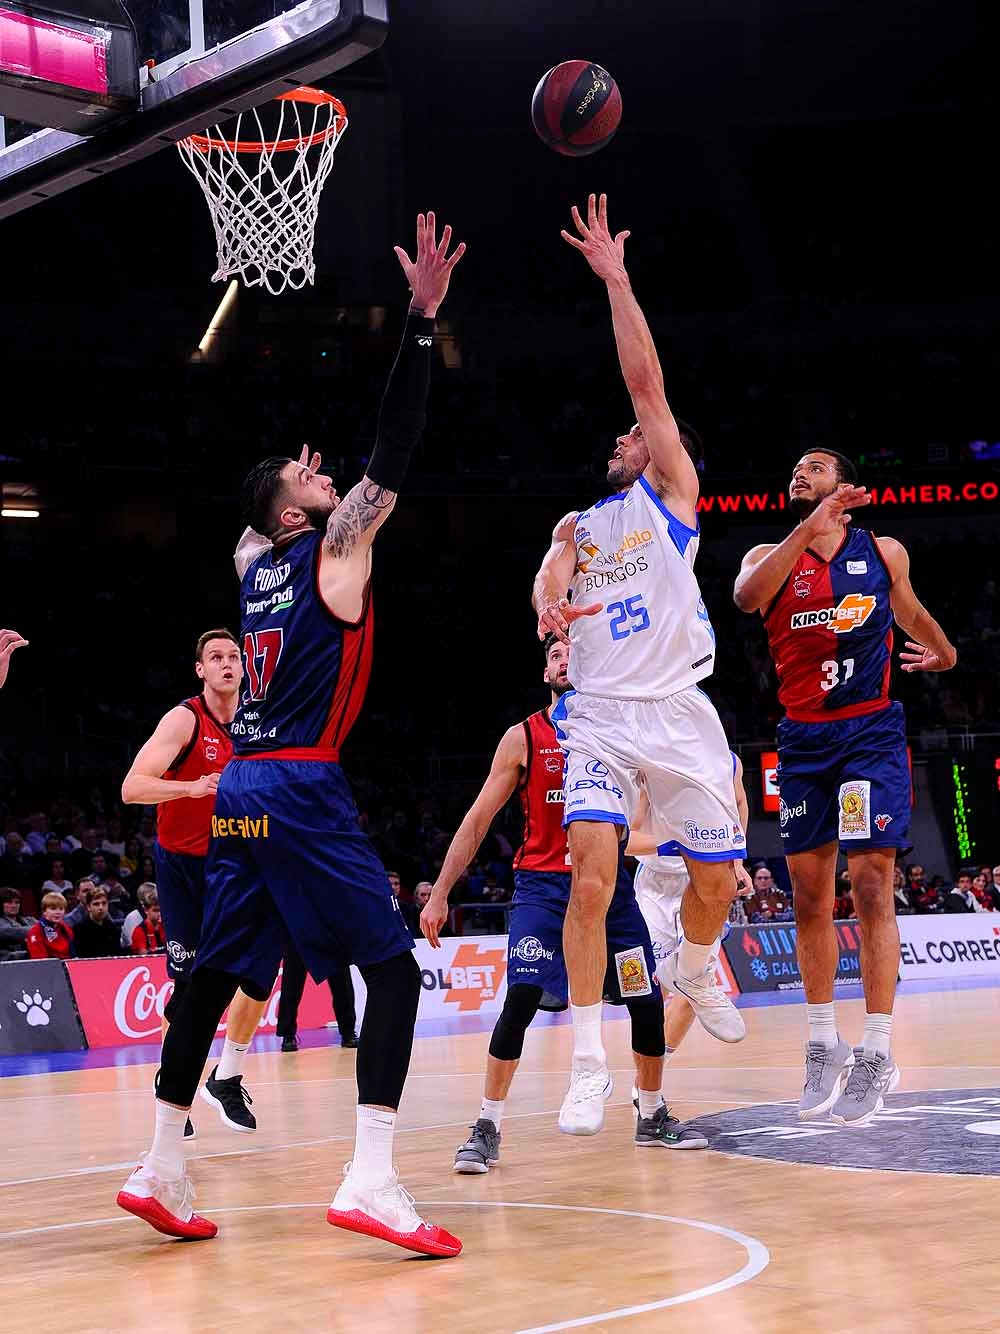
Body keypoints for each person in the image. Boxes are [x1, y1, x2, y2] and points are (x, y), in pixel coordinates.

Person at [117, 212, 466, 1257]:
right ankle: (372, 1177)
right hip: (303, 786)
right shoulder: (330, 551)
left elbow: (246, 521)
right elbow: (394, 447)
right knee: (393, 970)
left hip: (241, 795)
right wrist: (419, 322)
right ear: (289, 507)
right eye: (309, 480)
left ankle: (159, 1163)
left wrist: (281, 492)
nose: (330, 482)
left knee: (215, 975)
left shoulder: (252, 566)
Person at [533, 195, 746, 1129]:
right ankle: (587, 1060)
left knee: (715, 882)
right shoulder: (581, 524)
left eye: (636, 439)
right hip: (602, 716)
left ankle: (696, 967)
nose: (622, 439)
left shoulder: (672, 503)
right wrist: (548, 597)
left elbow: (647, 388)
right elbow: (549, 586)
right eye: (623, 439)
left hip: (678, 709)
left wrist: (616, 281)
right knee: (591, 873)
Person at [734, 448, 956, 1125]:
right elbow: (747, 600)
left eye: (817, 467)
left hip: (869, 734)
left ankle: (879, 1050)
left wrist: (944, 651)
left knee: (868, 887)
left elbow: (910, 611)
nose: (800, 472)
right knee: (807, 896)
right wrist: (809, 526)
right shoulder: (766, 556)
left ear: (846, 484)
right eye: (795, 468)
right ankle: (822, 1042)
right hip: (803, 739)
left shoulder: (882, 550)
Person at [423, 634, 704, 1171]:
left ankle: (651, 1113)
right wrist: (439, 892)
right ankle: (486, 1125)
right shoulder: (523, 736)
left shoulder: (624, 732)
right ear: (545, 671)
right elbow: (479, 817)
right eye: (554, 654)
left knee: (645, 1000)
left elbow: (644, 821)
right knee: (522, 996)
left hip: (610, 890)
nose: (563, 658)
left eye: (574, 651)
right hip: (543, 890)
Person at [122, 628, 265, 1137]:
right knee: (190, 987)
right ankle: (173, 1080)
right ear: (200, 670)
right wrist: (192, 788)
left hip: (238, 861)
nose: (227, 663)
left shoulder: (258, 721)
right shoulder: (185, 719)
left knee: (261, 970)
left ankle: (227, 1076)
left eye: (234, 656)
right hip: (184, 866)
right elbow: (132, 787)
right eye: (215, 657)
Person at [275, 950, 358, 1052]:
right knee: (292, 981)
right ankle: (288, 1035)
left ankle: (348, 1032)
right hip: (298, 936)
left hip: (330, 937)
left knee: (342, 981)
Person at [72, 885, 124, 959]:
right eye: (96, 904)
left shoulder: (113, 928)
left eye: (104, 903)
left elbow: (118, 954)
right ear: (88, 907)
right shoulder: (80, 929)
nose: (101, 907)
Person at [25, 892, 73, 959]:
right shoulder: (36, 931)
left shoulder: (66, 928)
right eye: (53, 909)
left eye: (61, 909)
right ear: (44, 911)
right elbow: (40, 960)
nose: (58, 912)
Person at [121, 882, 159, 950]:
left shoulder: (161, 914)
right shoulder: (133, 917)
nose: (154, 898)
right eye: (151, 896)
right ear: (142, 901)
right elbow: (136, 948)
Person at [0, 888, 36, 960]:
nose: (13, 906)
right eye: (9, 902)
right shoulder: (1, 923)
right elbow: (9, 932)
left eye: (17, 902)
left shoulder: (30, 920)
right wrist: (38, 931)